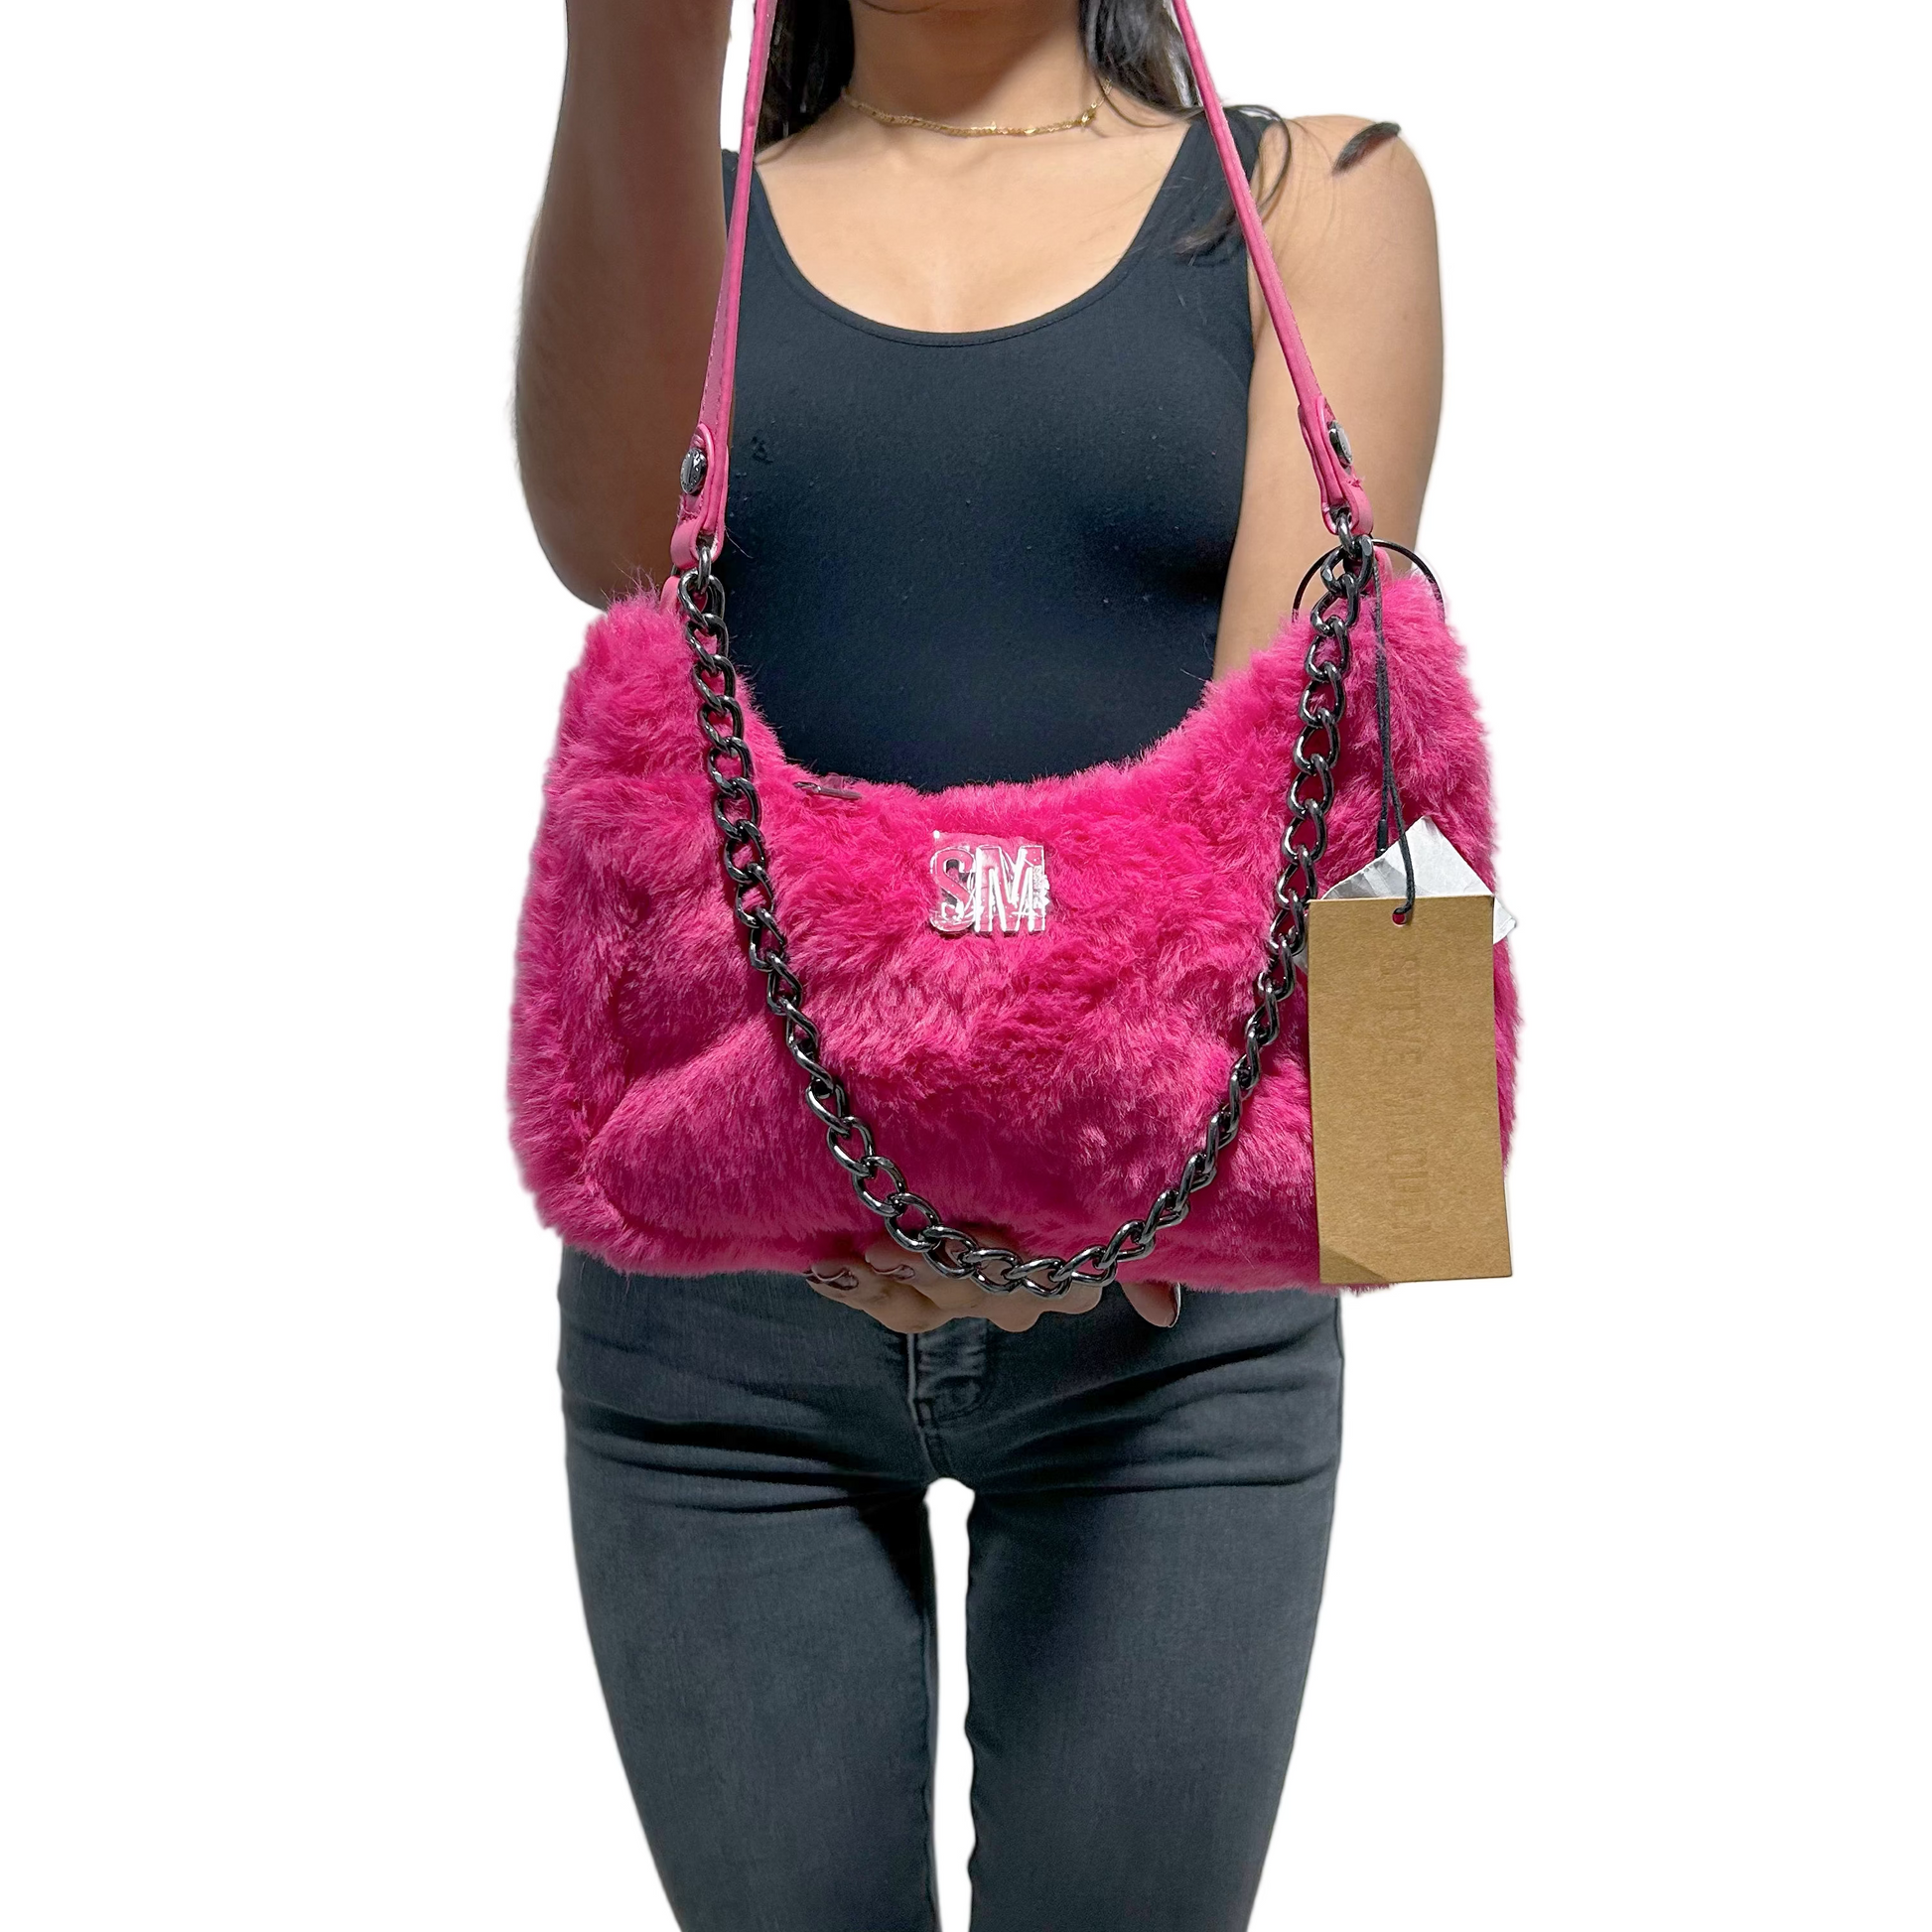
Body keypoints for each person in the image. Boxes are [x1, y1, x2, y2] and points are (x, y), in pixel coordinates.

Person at [515, 3, 1441, 1925]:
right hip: (724, 1326)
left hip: (1168, 1316)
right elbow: (613, 546)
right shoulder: (686, 220)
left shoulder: (1313, 196)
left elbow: (1277, 781)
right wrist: (632, 42)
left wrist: (1064, 1202)